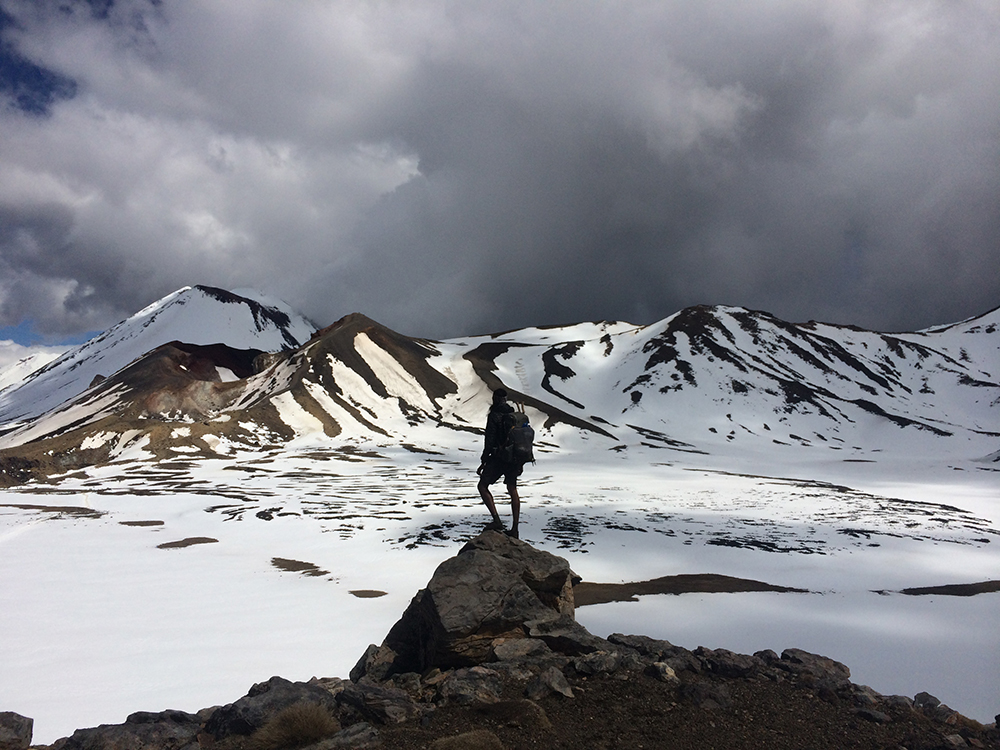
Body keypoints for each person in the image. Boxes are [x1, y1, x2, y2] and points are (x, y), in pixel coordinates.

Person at [477, 387, 522, 538]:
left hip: (500, 457)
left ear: (495, 399)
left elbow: (489, 440)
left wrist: (484, 459)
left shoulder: (494, 415)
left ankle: (496, 520)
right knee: (512, 489)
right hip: (515, 459)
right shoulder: (514, 415)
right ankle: (515, 529)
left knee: (482, 485)